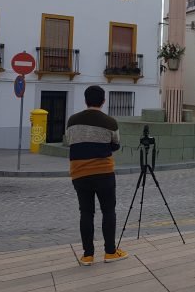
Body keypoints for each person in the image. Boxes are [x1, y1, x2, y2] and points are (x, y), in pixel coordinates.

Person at [64, 85, 128, 266]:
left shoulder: (72, 121)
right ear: (103, 101)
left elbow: (69, 141)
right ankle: (110, 252)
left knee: (86, 212)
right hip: (103, 172)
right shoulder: (110, 122)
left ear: (85, 101)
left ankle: (88, 255)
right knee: (108, 211)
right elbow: (115, 144)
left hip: (79, 172)